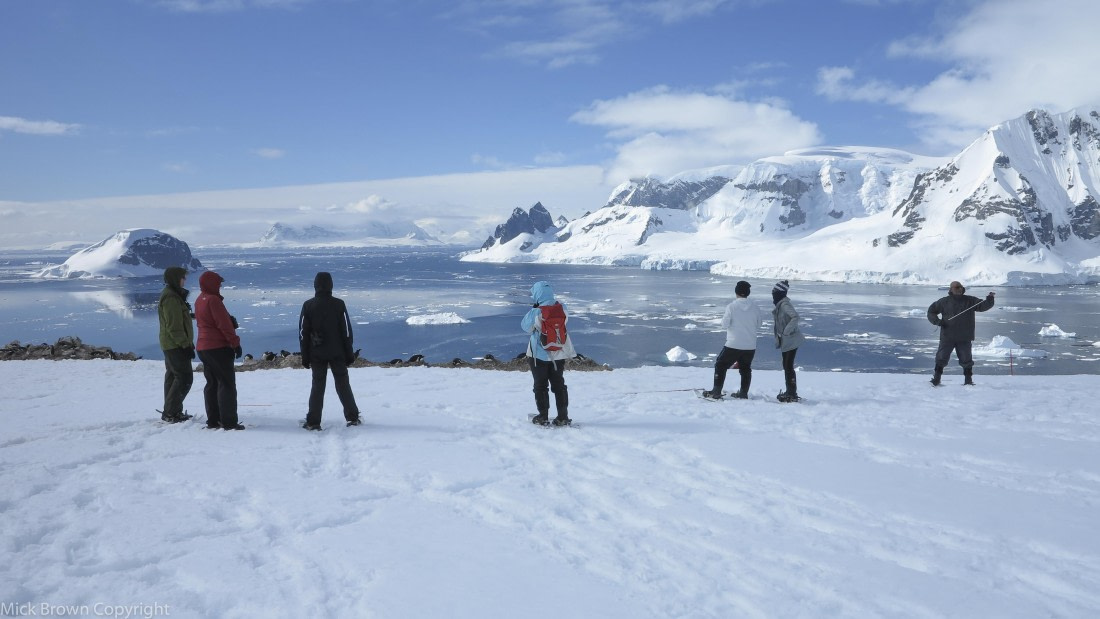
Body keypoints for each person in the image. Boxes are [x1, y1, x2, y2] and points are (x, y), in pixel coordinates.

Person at [299, 272, 362, 430]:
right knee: (343, 384)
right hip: (337, 352)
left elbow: (303, 333)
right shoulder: (339, 304)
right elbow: (346, 332)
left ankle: (313, 422)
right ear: (331, 285)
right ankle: (353, 417)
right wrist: (349, 354)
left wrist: (305, 356)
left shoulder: (308, 305)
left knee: (317, 386)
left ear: (315, 285)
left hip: (316, 353)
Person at [522, 280, 576, 426]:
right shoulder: (562, 308)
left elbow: (525, 327)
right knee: (559, 385)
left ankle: (543, 417)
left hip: (538, 355)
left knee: (540, 386)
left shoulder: (536, 312)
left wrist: (535, 310)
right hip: (558, 353)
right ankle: (563, 417)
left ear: (537, 294)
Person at [195, 271, 244, 430]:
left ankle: (213, 419)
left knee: (212, 383)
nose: (220, 286)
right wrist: (235, 344)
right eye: (218, 283)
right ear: (212, 284)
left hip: (203, 347)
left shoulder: (200, 299)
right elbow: (224, 325)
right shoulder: (213, 300)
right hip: (218, 347)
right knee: (226, 384)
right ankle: (229, 422)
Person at [703, 280, 763, 400]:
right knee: (745, 369)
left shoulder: (731, 307)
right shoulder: (755, 307)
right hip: (750, 345)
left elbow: (724, 325)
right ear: (748, 293)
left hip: (733, 344)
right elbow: (759, 324)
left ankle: (716, 391)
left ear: (736, 292)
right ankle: (743, 393)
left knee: (720, 365)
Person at [927, 281, 995, 386]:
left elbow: (982, 306)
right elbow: (931, 311)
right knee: (941, 358)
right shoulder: (944, 301)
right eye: (957, 287)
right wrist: (937, 321)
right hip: (947, 336)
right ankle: (936, 379)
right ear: (951, 289)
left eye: (960, 287)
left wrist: (990, 299)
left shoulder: (970, 300)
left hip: (964, 337)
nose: (959, 289)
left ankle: (968, 380)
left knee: (966, 360)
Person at [157, 266, 195, 423]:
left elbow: (177, 318)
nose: (184, 280)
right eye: (182, 277)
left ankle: (172, 411)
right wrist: (185, 345)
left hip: (171, 343)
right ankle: (171, 412)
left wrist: (190, 315)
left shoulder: (173, 295)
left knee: (173, 377)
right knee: (184, 377)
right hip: (175, 344)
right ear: (175, 279)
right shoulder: (171, 297)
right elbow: (174, 326)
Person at [771, 280, 806, 403]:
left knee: (788, 365)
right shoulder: (780, 304)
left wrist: (786, 331)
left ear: (779, 293)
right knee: (787, 365)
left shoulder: (784, 305)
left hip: (791, 340)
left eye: (774, 292)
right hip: (787, 341)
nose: (773, 294)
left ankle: (791, 393)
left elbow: (795, 317)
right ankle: (790, 392)